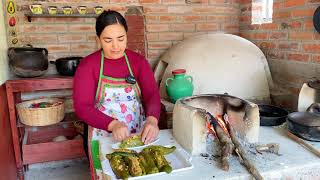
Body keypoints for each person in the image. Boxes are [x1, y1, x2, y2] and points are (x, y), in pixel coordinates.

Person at [73, 10, 161, 153]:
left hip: (137, 133)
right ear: (98, 39)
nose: (115, 46)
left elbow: (152, 94)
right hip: (103, 135)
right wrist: (112, 124)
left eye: (121, 39)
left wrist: (152, 120)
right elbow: (82, 107)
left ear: (127, 35)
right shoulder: (88, 65)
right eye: (108, 40)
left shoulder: (138, 62)